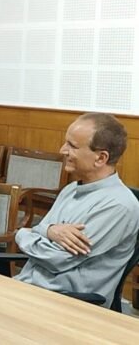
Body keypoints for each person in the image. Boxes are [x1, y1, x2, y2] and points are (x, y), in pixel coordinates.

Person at [14, 113, 139, 306]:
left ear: (100, 158)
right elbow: (43, 234)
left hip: (65, 303)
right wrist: (48, 230)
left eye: (72, 146)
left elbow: (55, 257)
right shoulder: (71, 189)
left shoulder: (119, 205)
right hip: (28, 288)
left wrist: (21, 234)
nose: (62, 150)